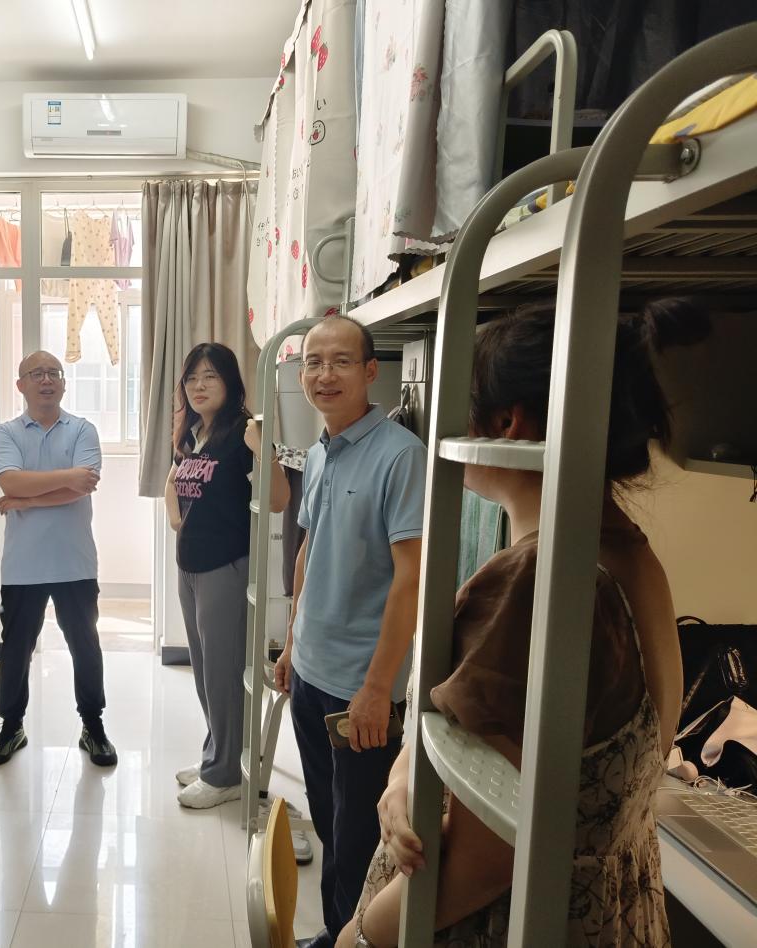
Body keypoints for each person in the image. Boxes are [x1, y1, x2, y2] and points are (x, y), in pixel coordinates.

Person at [336, 301, 699, 948]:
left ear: (507, 423)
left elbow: (487, 859)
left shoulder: (539, 582)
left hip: (504, 920)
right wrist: (404, 774)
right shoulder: (627, 556)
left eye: (460, 402)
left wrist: (362, 934)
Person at [274, 315, 426, 948]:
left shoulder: (401, 455)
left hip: (358, 689)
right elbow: (308, 550)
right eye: (313, 362)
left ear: (369, 371)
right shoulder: (318, 451)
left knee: (361, 835)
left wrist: (376, 689)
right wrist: (292, 642)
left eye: (340, 361)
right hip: (310, 673)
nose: (324, 374)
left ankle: (354, 937)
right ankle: (335, 931)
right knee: (329, 821)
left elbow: (410, 578)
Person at [165, 342, 289, 809]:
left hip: (226, 567)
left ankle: (226, 777)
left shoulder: (245, 430)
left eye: (210, 376)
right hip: (190, 566)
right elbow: (175, 484)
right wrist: (176, 518)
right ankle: (218, 756)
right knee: (204, 672)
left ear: (230, 382)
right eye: (191, 378)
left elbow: (278, 500)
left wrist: (264, 451)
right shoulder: (194, 433)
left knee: (223, 673)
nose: (198, 386)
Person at [0, 350, 117, 768]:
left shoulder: (82, 429)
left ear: (63, 383)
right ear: (20, 384)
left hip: (75, 562)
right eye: (36, 373)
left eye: (53, 373)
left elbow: (83, 486)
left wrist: (27, 499)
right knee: (16, 649)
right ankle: (11, 727)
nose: (46, 380)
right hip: (22, 566)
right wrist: (63, 479)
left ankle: (93, 726)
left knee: (85, 646)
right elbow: (10, 481)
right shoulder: (6, 433)